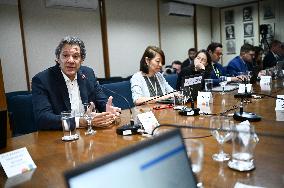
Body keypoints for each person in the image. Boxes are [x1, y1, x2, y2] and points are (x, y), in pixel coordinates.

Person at [32, 36, 121, 130]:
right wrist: (82, 122)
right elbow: (43, 119)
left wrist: (109, 111)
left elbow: (102, 101)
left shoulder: (88, 74)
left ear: (81, 60)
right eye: (65, 55)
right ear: (58, 59)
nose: (70, 61)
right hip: (59, 136)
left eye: (75, 56)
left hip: (88, 134)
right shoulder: (42, 80)